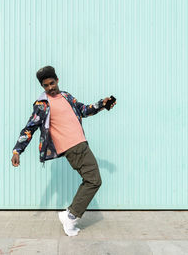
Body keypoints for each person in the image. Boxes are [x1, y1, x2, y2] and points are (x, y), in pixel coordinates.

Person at [11, 66, 116, 236]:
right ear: (43, 87)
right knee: (93, 180)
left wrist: (102, 104)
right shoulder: (42, 105)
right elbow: (29, 128)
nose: (50, 87)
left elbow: (83, 110)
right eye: (46, 86)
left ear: (57, 80)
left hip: (80, 144)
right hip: (73, 147)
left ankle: (70, 215)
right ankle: (70, 216)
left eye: (52, 83)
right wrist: (17, 150)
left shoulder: (66, 96)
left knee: (92, 180)